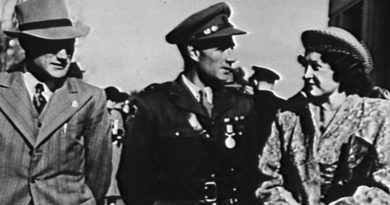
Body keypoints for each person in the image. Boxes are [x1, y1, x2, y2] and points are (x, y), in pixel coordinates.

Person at [117, 2, 259, 205]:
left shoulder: (242, 105)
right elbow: (133, 181)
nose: (232, 58)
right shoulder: (154, 106)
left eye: (231, 48)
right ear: (193, 52)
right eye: (221, 48)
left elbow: (253, 174)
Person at [257, 27, 390, 205]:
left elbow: (385, 185)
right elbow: (267, 180)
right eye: (305, 66)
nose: (306, 75)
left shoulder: (379, 115)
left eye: (316, 67)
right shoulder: (288, 117)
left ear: (341, 69)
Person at [0, 0, 112, 204]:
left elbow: (99, 173)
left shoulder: (89, 98)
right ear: (27, 43)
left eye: (68, 46)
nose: (63, 56)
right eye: (52, 45)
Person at [248, 66, 285, 150]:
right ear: (273, 84)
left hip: (250, 147)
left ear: (255, 81)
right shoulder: (283, 103)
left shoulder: (248, 101)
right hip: (274, 148)